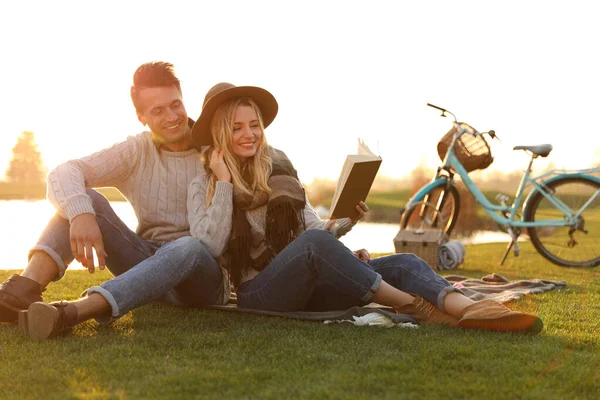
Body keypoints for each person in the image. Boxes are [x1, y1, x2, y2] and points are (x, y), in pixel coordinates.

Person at [186, 82, 544, 333]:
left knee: (405, 261)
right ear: (219, 132)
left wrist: (347, 219)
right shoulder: (203, 182)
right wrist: (225, 186)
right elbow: (209, 246)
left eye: (254, 125)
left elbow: (312, 229)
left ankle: (467, 309)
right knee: (315, 247)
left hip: (305, 283)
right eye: (237, 128)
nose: (249, 134)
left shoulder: (278, 166)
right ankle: (413, 307)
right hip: (260, 294)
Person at [0, 62, 226, 340]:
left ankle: (74, 311)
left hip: (200, 273)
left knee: (189, 246)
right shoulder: (137, 150)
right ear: (141, 117)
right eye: (158, 110)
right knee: (82, 198)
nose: (172, 116)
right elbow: (64, 172)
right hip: (144, 261)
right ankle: (20, 293)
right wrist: (81, 214)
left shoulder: (214, 147)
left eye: (175, 105)